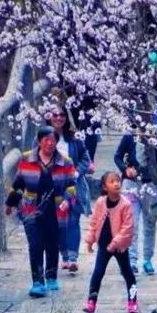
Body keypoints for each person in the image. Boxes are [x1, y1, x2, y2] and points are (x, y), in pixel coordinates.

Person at [4, 124, 77, 298]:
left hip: (56, 209)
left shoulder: (65, 161)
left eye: (53, 141)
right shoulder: (27, 158)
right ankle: (37, 281)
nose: (50, 144)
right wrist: (10, 204)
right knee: (35, 244)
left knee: (52, 244)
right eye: (46, 140)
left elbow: (71, 187)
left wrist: (68, 200)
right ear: (39, 141)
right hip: (31, 208)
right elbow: (18, 184)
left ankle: (51, 276)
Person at [83, 172, 138, 313]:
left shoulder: (125, 204)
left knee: (127, 272)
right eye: (112, 181)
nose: (116, 184)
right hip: (103, 245)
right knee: (98, 272)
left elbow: (127, 227)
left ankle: (132, 300)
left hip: (119, 246)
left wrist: (115, 243)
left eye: (118, 181)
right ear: (104, 187)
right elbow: (94, 222)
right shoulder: (101, 202)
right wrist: (90, 240)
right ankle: (91, 301)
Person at [113, 130, 157, 275]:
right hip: (131, 185)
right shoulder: (129, 136)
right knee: (131, 224)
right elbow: (117, 156)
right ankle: (132, 260)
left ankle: (147, 259)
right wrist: (125, 169)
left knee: (150, 224)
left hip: (152, 185)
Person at [48, 106, 91, 274]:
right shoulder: (43, 137)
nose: (58, 118)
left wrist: (78, 171)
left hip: (73, 184)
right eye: (55, 115)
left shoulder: (74, 138)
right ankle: (64, 256)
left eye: (62, 115)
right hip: (52, 186)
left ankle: (73, 258)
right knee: (59, 223)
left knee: (73, 220)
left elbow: (85, 158)